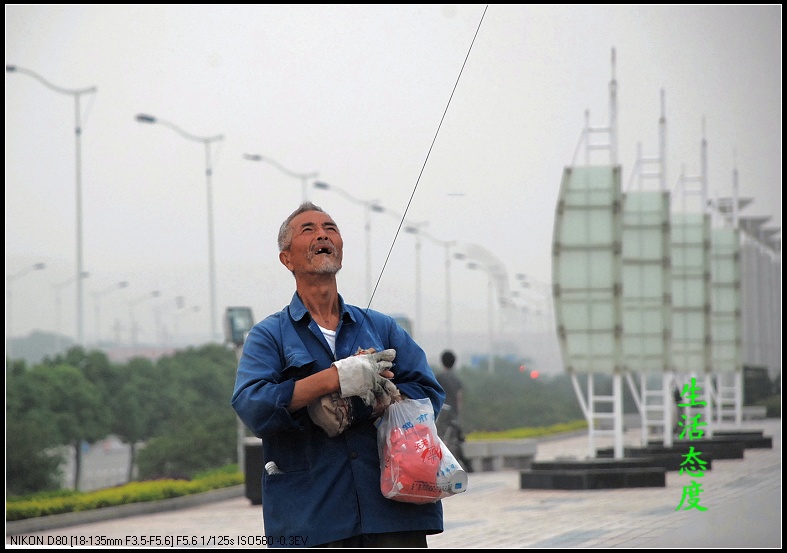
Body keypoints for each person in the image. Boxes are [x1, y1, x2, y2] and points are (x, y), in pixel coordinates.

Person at [231, 201, 446, 548]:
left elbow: (428, 392)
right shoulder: (269, 335)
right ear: (287, 259)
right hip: (314, 517)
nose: (322, 234)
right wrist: (332, 380)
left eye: (330, 228)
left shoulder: (380, 327)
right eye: (308, 230)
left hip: (392, 513)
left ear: (340, 248)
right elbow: (252, 405)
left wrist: (379, 398)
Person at [434, 349, 472, 472]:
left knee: (440, 439)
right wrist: (458, 415)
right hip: (453, 414)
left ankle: (442, 466)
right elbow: (458, 398)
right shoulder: (456, 380)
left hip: (442, 414)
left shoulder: (439, 377)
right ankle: (464, 464)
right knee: (454, 440)